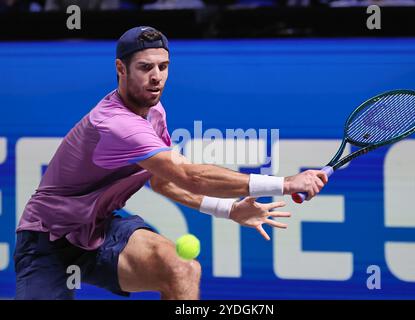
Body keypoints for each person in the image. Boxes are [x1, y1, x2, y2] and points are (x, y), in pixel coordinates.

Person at [14, 26, 328, 300]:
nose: (157, 77)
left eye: (163, 67)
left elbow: (163, 180)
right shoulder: (115, 124)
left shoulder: (154, 112)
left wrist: (229, 209)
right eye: (145, 67)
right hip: (47, 241)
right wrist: (285, 184)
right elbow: (187, 175)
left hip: (100, 229)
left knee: (182, 269)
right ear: (120, 69)